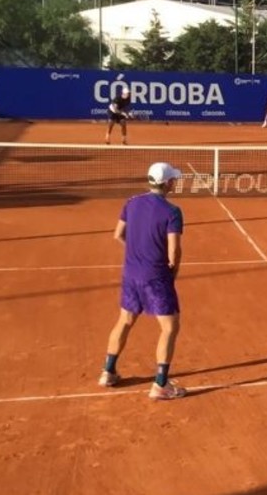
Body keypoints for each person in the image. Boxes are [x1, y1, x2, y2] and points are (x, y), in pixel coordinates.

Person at [98, 162, 187, 401]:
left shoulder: (131, 202)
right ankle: (160, 385)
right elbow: (174, 251)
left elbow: (118, 234)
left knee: (125, 320)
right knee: (169, 327)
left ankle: (107, 372)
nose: (175, 183)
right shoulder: (172, 212)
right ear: (167, 183)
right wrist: (172, 273)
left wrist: (137, 250)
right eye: (174, 180)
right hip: (156, 277)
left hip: (131, 274)